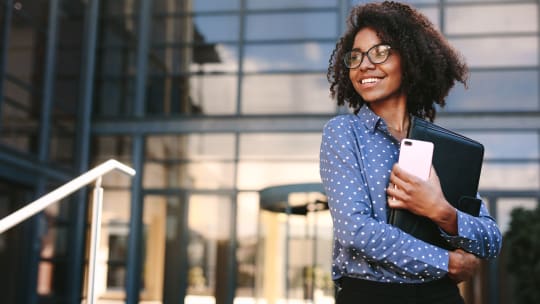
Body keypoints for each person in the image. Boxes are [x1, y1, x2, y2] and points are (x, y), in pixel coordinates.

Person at [319, 2, 502, 304]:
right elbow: (356, 231)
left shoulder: (440, 148)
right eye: (356, 56)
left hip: (441, 296)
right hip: (370, 296)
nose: (364, 64)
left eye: (379, 52)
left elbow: (491, 240)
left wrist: (441, 212)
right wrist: (448, 262)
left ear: (410, 58)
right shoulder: (344, 133)